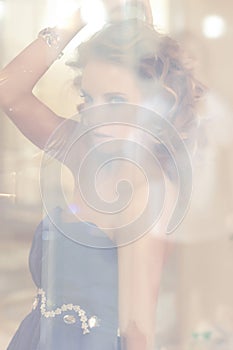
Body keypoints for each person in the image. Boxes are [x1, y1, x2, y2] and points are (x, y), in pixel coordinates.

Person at [0, 1, 205, 349]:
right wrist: (77, 17)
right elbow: (8, 92)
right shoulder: (85, 153)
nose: (95, 115)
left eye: (114, 99)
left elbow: (138, 332)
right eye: (88, 97)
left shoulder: (146, 193)